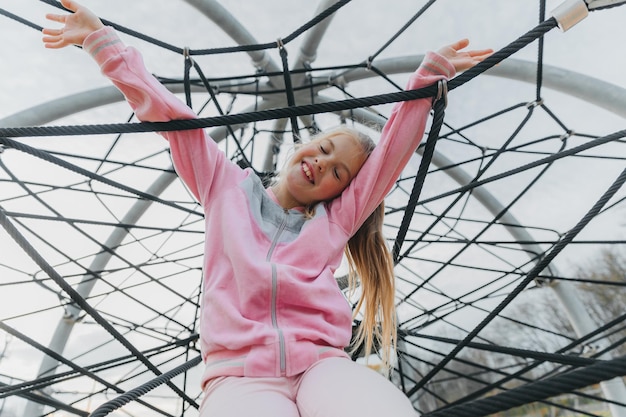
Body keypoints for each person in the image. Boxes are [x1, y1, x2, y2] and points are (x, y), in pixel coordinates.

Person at [43, 1, 492, 416]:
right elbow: (172, 117)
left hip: (321, 364)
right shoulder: (224, 186)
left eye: (338, 172)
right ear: (303, 146)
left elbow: (390, 158)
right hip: (239, 375)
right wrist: (103, 44)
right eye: (323, 149)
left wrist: (423, 84)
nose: (321, 164)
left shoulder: (334, 223)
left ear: (342, 193)